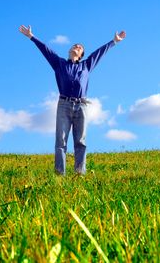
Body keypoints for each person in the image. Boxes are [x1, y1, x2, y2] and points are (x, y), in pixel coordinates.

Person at [19, 25, 126, 175]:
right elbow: (46, 50)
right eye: (74, 45)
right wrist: (32, 37)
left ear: (81, 54)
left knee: (80, 141)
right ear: (70, 51)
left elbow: (99, 53)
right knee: (61, 142)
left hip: (81, 105)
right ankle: (59, 174)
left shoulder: (86, 65)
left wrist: (114, 41)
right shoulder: (59, 63)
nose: (77, 46)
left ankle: (79, 174)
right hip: (63, 104)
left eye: (80, 47)